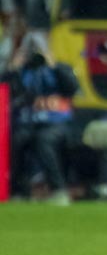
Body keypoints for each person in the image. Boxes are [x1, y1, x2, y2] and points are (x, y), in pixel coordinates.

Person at [4, 41, 78, 205]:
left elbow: (72, 88)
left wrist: (54, 65)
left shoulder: (59, 69)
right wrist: (13, 69)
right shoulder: (22, 71)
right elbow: (7, 90)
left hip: (56, 122)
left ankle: (58, 190)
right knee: (16, 140)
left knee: (43, 140)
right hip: (28, 122)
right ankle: (18, 191)